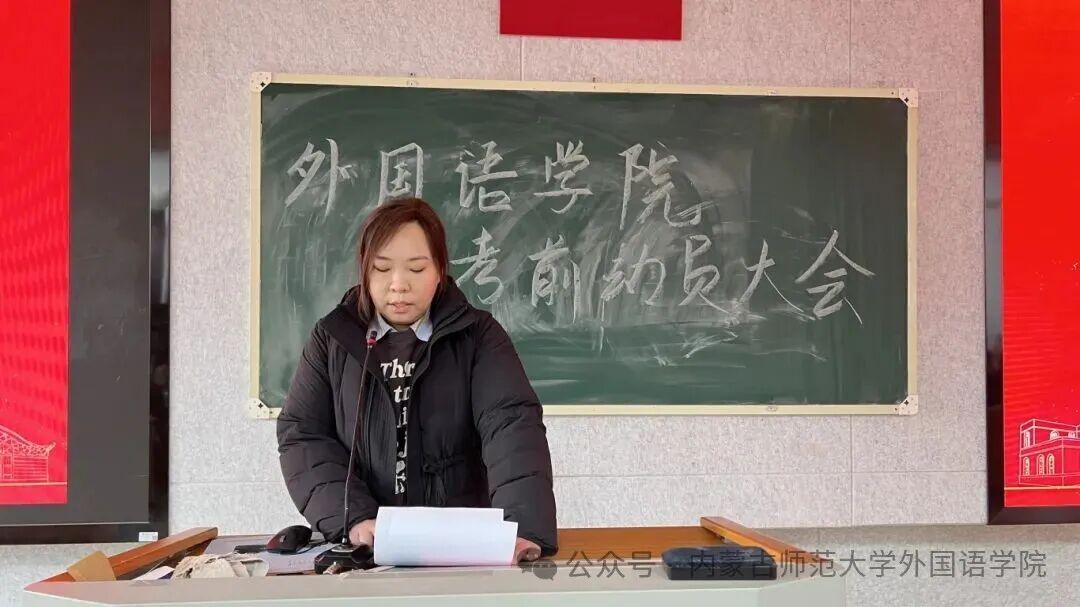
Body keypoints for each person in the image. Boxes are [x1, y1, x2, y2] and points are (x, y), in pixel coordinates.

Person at [276, 197, 558, 563]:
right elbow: (303, 434)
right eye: (381, 268)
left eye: (417, 268)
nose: (398, 285)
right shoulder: (333, 338)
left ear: (439, 270)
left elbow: (511, 426)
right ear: (364, 272)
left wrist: (520, 528)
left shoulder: (478, 336)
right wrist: (354, 517)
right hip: (368, 548)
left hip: (460, 547)